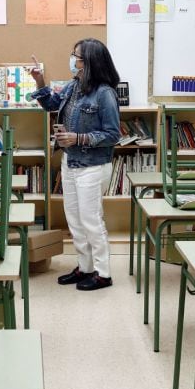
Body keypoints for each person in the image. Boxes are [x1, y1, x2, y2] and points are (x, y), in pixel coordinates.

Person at [28, 38, 121, 291]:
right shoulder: (74, 85)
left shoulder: (105, 93)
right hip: (70, 162)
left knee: (91, 220)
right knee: (75, 220)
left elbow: (113, 135)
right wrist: (40, 81)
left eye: (76, 56)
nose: (73, 60)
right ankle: (85, 267)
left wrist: (79, 138)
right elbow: (51, 105)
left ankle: (103, 273)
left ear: (89, 61)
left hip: (92, 165)